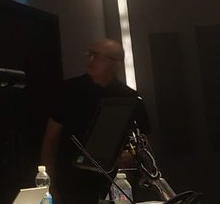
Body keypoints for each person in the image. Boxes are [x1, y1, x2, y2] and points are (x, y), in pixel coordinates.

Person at [39, 38, 151, 203]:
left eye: (98, 56)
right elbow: (50, 140)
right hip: (71, 183)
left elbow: (145, 144)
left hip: (116, 182)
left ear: (116, 63)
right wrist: (48, 185)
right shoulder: (68, 90)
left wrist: (133, 156)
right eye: (89, 54)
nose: (90, 60)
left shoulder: (130, 98)